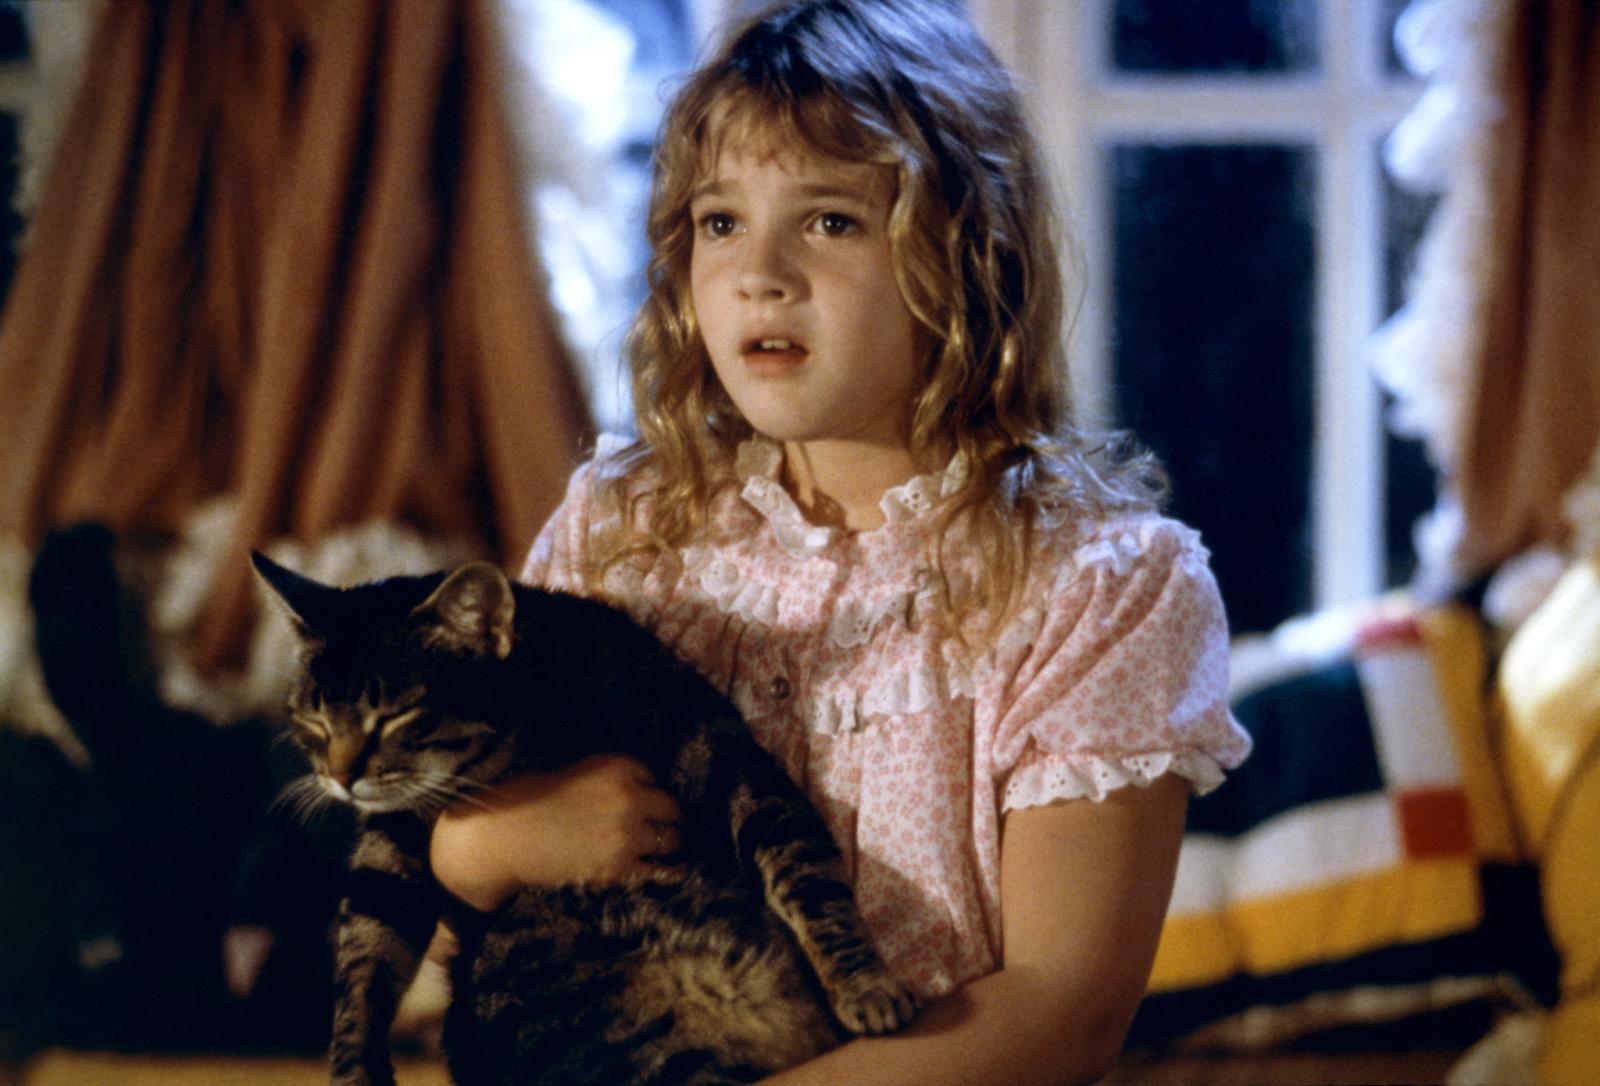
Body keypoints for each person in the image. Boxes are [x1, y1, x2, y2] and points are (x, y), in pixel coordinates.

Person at [430, 0, 1253, 1082]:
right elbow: (455, 940)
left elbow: (1062, 1012)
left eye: (828, 221)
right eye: (721, 222)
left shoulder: (1096, 587)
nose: (759, 273)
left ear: (964, 252)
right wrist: (478, 846)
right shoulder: (618, 531)